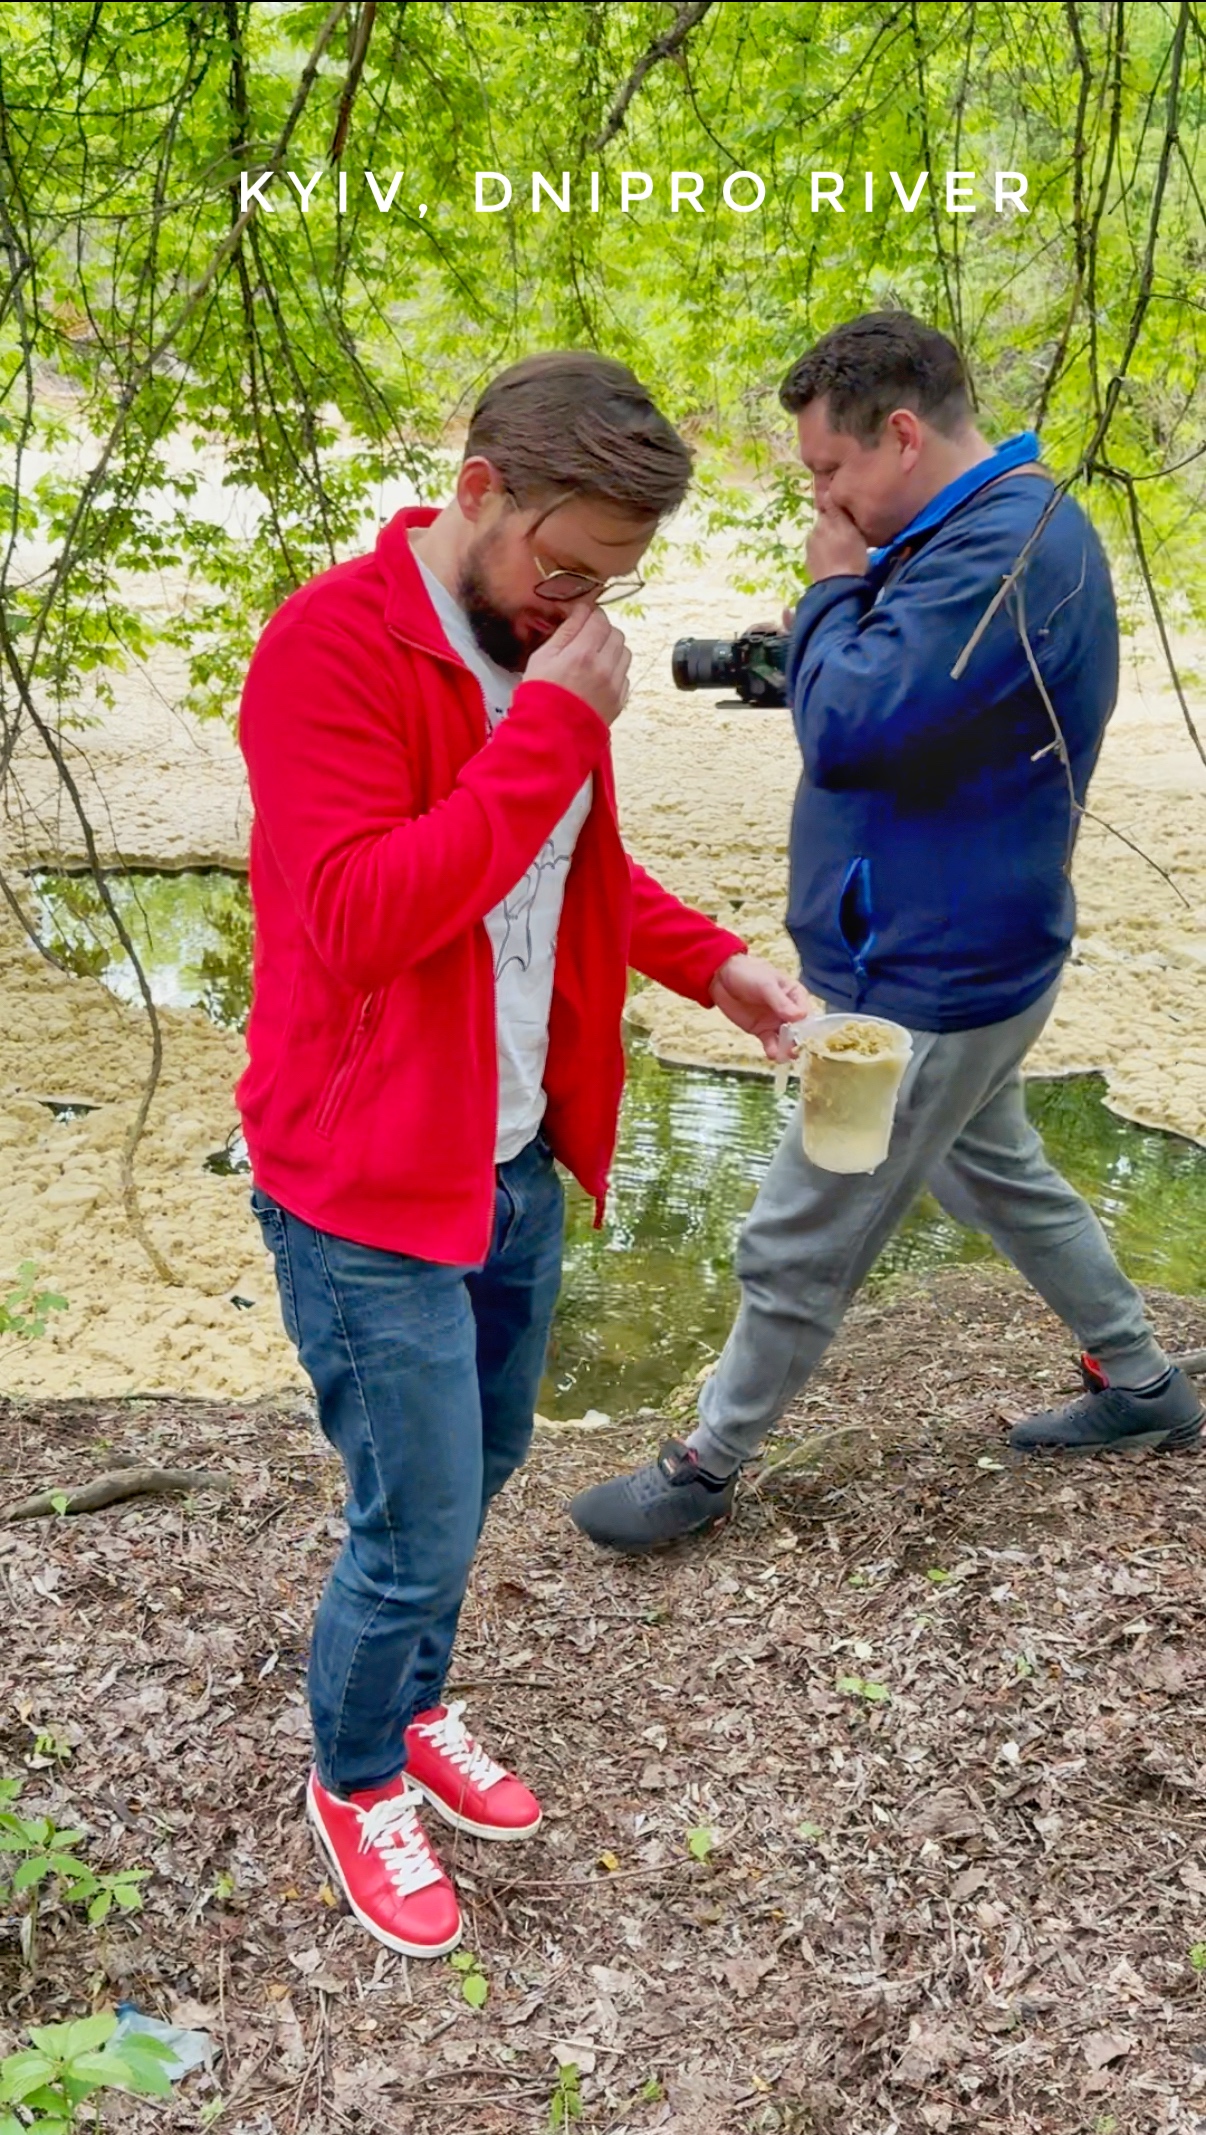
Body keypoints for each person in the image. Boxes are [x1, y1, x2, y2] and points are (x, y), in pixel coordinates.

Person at [236, 349, 812, 1957]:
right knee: (412, 1514)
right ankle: (352, 1776)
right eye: (561, 568)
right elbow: (362, 920)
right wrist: (554, 723)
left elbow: (574, 874)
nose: (578, 608)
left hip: (506, 1160)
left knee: (476, 1477)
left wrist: (720, 967)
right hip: (360, 1175)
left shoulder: (541, 652)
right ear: (475, 486)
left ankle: (412, 1700)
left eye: (609, 583)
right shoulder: (330, 649)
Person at [570, 311, 1204, 1556]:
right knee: (998, 1171)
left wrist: (826, 586)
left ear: (902, 434)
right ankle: (1142, 1383)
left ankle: (703, 1463)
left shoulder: (1007, 549)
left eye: (829, 470)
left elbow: (856, 727)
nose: (824, 494)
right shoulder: (963, 536)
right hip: (960, 947)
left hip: (929, 975)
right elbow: (908, 708)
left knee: (797, 1231)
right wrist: (809, 640)